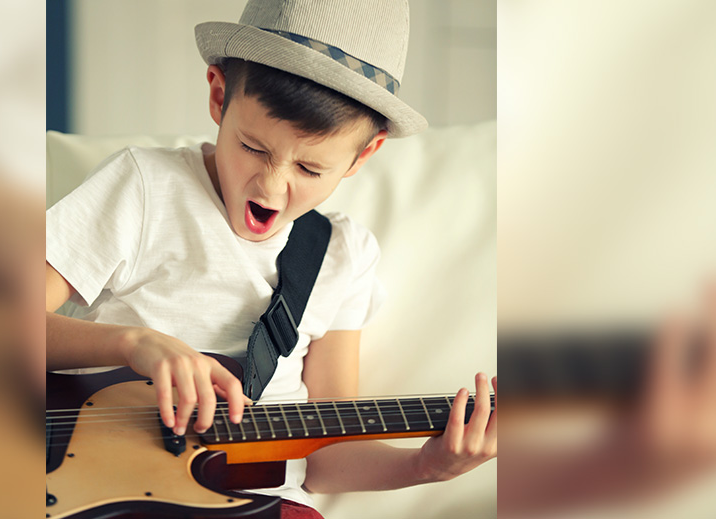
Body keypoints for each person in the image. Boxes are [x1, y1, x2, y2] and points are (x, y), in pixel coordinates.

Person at [45, 1, 496, 516]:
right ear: (218, 95)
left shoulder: (339, 256)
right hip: (88, 487)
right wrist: (134, 342)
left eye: (309, 167)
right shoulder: (144, 188)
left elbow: (325, 453)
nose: (271, 186)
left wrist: (427, 467)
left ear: (364, 155)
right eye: (253, 147)